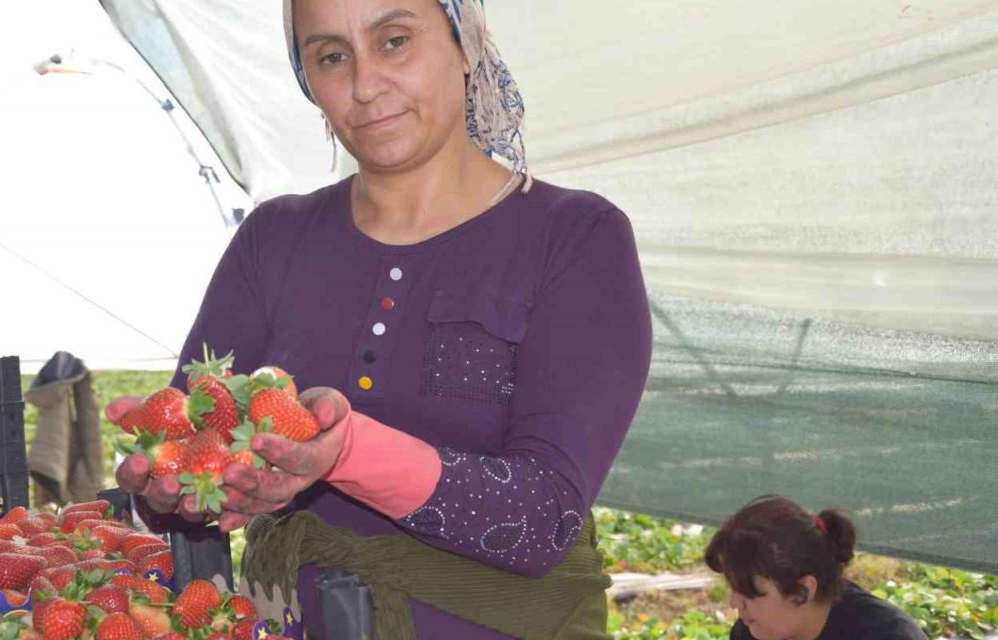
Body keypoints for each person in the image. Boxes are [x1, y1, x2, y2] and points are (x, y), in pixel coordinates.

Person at [114, 0, 653, 637]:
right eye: (331, 57)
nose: (366, 86)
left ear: (466, 44)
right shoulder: (275, 238)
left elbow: (542, 521)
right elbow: (190, 450)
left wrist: (345, 452)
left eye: (394, 40)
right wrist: (174, 490)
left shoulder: (574, 239)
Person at [706, 495, 927, 640]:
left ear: (804, 590)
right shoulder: (754, 631)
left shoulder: (887, 635)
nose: (735, 603)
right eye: (733, 587)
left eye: (752, 592)